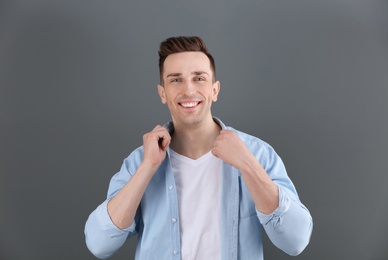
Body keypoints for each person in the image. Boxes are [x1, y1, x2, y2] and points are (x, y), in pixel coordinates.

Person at [84, 36, 313, 260]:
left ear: (215, 90)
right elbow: (99, 245)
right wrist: (148, 167)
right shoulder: (139, 161)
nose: (188, 90)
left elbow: (295, 241)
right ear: (163, 93)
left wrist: (247, 164)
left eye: (199, 78)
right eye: (175, 80)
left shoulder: (257, 154)